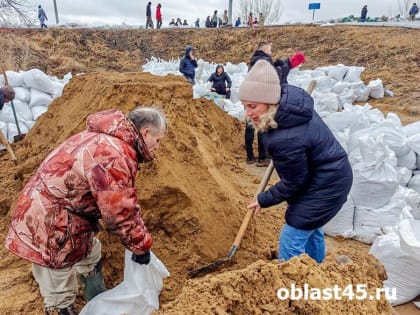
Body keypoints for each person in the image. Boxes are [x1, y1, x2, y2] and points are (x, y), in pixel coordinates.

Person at [5, 107, 168, 314]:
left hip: (67, 217)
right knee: (58, 284)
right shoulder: (114, 154)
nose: (158, 147)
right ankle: (61, 308)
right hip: (48, 224)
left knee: (91, 255)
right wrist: (140, 246)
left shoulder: (103, 138)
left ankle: (97, 301)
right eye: (158, 140)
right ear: (145, 133)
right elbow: (120, 213)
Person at [240, 60, 353, 264]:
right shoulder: (288, 108)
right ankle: (315, 268)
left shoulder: (285, 138)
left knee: (292, 236)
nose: (248, 113)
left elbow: (294, 182)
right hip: (329, 176)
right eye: (245, 106)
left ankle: (292, 285)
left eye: (252, 106)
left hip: (326, 185)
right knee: (312, 226)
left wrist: (264, 199)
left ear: (269, 101)